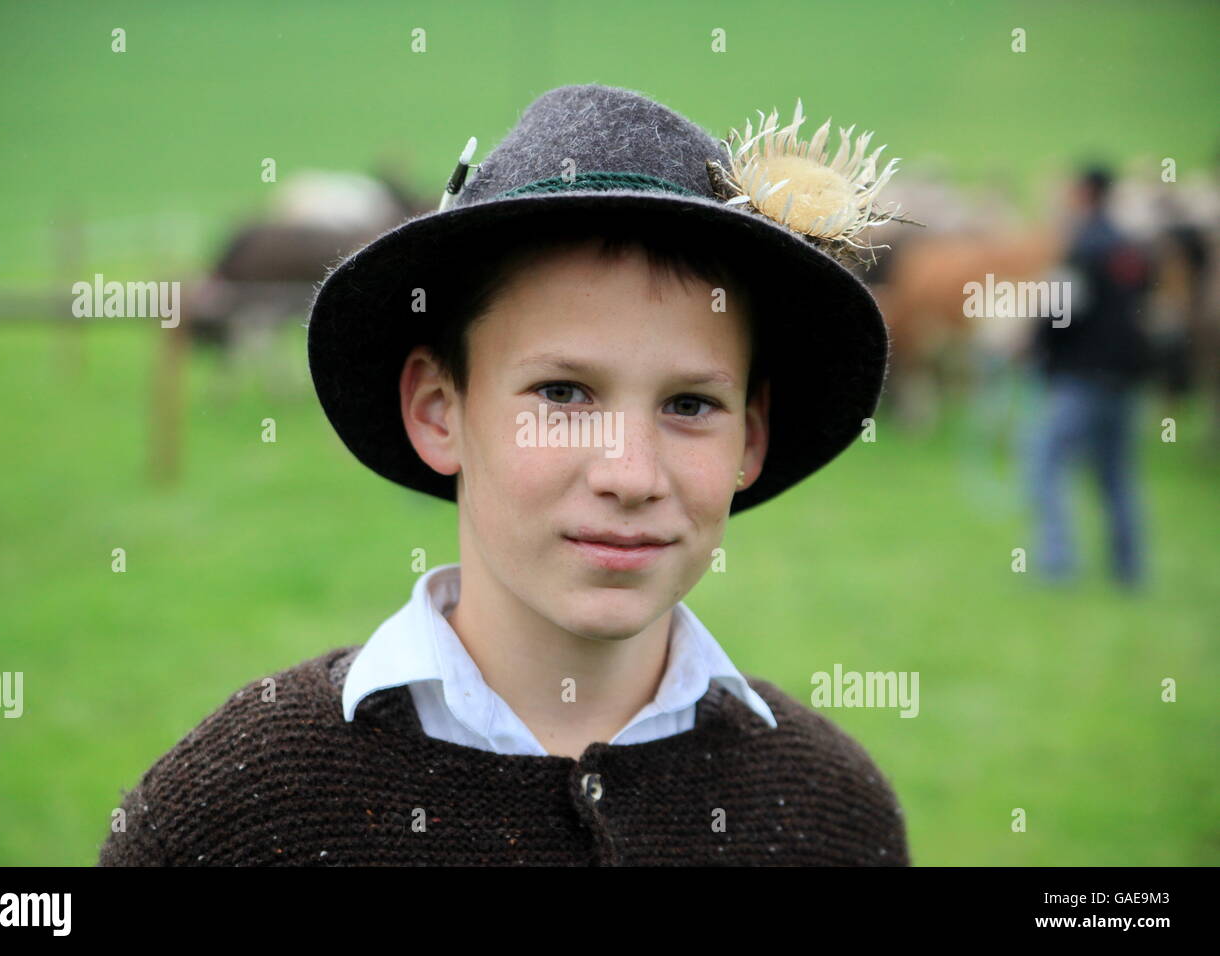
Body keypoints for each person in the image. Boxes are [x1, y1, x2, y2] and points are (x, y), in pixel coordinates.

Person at [98, 84, 913, 866]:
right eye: (562, 393)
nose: (630, 475)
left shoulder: (831, 815)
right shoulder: (233, 814)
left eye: (691, 405)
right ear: (438, 410)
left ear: (752, 434)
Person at [1026, 165, 1154, 588]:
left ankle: (1057, 566)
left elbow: (1063, 312)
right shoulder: (1131, 250)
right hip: (1125, 377)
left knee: (1045, 466)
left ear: (1083, 193)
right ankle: (1128, 570)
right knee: (1117, 475)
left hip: (1079, 378)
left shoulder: (1082, 248)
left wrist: (1034, 347)